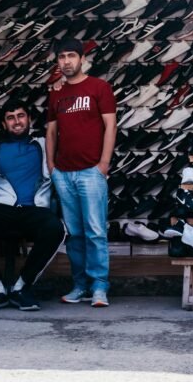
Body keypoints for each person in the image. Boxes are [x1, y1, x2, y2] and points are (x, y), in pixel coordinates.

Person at [0, 100, 66, 312]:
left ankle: (21, 287)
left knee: (56, 229)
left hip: (34, 208)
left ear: (29, 119)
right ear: (4, 124)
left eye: (20, 116)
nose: (16, 121)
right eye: (10, 117)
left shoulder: (45, 145)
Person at [47, 38, 117, 307]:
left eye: (71, 56)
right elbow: (51, 131)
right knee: (74, 234)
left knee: (96, 231)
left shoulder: (99, 87)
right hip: (63, 173)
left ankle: (100, 286)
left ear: (82, 58)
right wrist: (51, 167)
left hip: (91, 171)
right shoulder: (56, 92)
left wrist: (104, 164)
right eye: (61, 56)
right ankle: (80, 285)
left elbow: (110, 126)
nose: (66, 61)